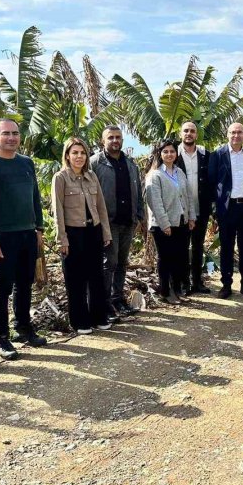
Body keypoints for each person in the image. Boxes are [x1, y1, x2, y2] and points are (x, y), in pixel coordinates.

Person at [0, 118, 48, 360]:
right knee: (2, 286)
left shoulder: (26, 163)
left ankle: (24, 328)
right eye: (6, 133)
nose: (11, 138)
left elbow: (35, 197)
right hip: (2, 236)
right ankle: (0, 337)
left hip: (27, 234)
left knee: (25, 283)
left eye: (15, 133)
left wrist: (38, 228)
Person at [51, 137, 112, 335]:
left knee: (96, 276)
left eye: (82, 153)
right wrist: (62, 239)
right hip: (72, 233)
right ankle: (80, 321)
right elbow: (58, 210)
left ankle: (99, 317)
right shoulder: (60, 178)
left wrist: (105, 232)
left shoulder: (91, 176)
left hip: (92, 231)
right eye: (74, 153)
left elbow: (101, 207)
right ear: (67, 156)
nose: (79, 156)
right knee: (75, 279)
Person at [90, 126, 144, 321]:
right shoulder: (95, 163)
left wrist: (138, 216)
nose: (115, 140)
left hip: (127, 221)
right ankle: (104, 304)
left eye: (118, 137)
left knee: (121, 263)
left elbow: (138, 191)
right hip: (107, 222)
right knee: (109, 263)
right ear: (103, 141)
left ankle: (117, 299)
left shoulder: (130, 164)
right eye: (110, 137)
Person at [208, 123, 243, 299]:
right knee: (226, 249)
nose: (236, 135)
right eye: (233, 132)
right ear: (227, 134)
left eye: (239, 132)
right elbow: (212, 183)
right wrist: (215, 210)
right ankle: (226, 285)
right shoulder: (217, 155)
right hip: (226, 210)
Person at [146, 139, 196, 305]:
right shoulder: (155, 175)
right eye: (165, 151)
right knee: (165, 258)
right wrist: (165, 224)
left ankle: (177, 289)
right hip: (162, 225)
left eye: (172, 151)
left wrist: (191, 217)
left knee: (180, 257)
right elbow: (155, 202)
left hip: (180, 221)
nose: (169, 154)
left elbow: (188, 196)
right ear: (160, 154)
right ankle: (165, 292)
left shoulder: (179, 172)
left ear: (176, 154)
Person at [176, 121, 212, 294]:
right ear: (180, 134)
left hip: (201, 210)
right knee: (181, 248)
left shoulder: (205, 155)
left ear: (196, 135)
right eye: (186, 131)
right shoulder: (172, 154)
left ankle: (197, 282)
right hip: (180, 211)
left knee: (198, 247)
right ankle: (183, 284)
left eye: (192, 131)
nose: (189, 133)